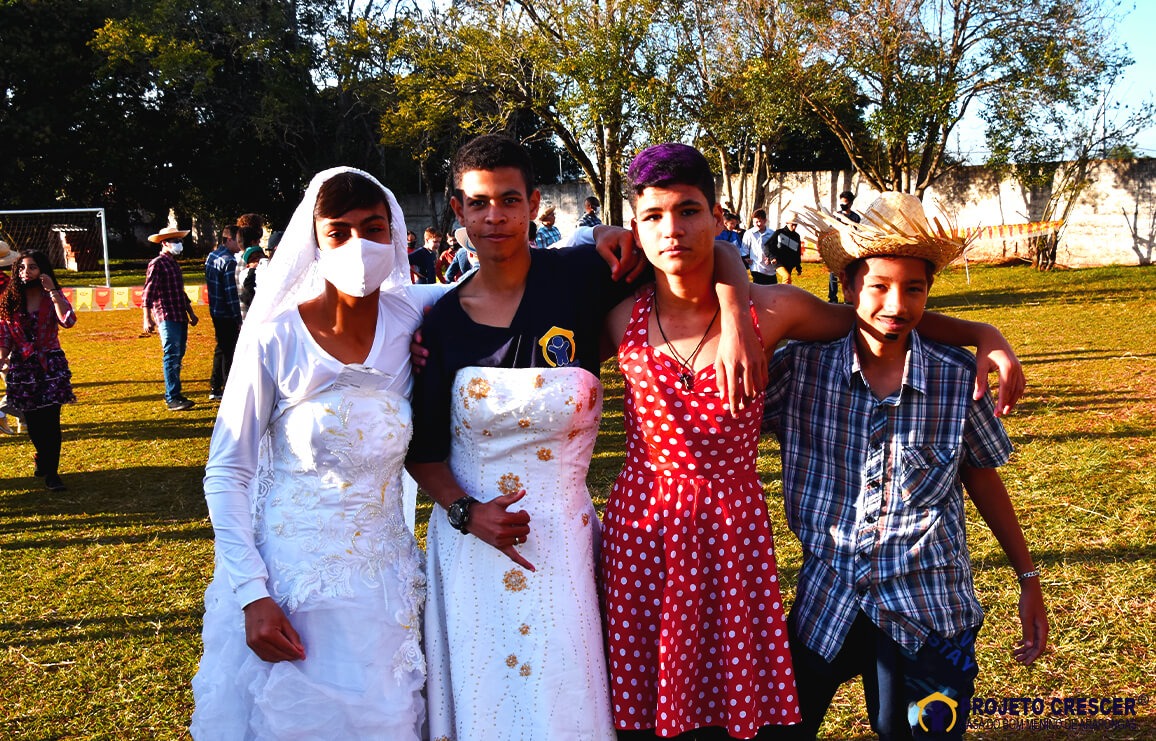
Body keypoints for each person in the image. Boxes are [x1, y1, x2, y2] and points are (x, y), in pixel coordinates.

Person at [594, 145, 1025, 740]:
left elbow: (877, 317)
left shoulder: (777, 311)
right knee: (645, 687)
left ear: (717, 217)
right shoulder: (616, 314)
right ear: (635, 224)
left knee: (734, 698)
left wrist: (981, 331)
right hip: (644, 527)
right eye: (653, 216)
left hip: (730, 529)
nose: (673, 229)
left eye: (689, 211)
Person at [405, 134, 762, 741]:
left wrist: (735, 319)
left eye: (510, 200)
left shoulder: (584, 277)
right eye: (478, 203)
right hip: (472, 544)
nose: (495, 217)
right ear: (457, 210)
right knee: (486, 695)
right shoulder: (437, 322)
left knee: (566, 693)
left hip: (564, 542)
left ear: (534, 203)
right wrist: (466, 512)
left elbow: (703, 247)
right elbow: (424, 453)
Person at [763, 192, 1047, 740]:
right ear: (847, 287)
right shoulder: (798, 370)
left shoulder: (957, 378)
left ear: (929, 291)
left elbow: (981, 475)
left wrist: (1028, 577)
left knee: (921, 731)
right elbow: (724, 432)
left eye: (914, 288)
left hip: (928, 606)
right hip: (827, 598)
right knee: (778, 727)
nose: (896, 304)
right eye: (878, 286)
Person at [191, 167, 446, 739]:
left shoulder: (414, 313)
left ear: (394, 235)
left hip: (386, 587)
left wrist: (601, 240)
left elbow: (508, 282)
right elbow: (227, 472)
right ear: (315, 240)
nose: (360, 245)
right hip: (293, 587)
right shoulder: (276, 338)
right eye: (339, 231)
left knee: (388, 719)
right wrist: (252, 594)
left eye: (373, 228)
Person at [0, 250, 76, 491]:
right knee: (33, 423)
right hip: (22, 369)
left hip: (50, 365)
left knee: (51, 421)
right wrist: (2, 356)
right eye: (22, 268)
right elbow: (4, 334)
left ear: (42, 270)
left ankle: (52, 474)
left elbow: (68, 320)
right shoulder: (9, 300)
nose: (26, 272)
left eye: (32, 267)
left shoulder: (51, 297)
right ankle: (42, 456)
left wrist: (53, 291)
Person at [142, 226, 198, 412]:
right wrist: (147, 318)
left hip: (179, 314)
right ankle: (172, 397)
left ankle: (176, 393)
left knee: (178, 355)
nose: (179, 244)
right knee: (171, 355)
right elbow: (148, 291)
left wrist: (191, 312)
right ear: (164, 243)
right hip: (166, 314)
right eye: (175, 241)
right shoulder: (157, 263)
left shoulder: (173, 264)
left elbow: (180, 292)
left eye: (179, 241)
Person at [205, 225, 243, 401]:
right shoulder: (229, 261)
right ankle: (228, 388)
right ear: (229, 239)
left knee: (221, 348)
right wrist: (238, 317)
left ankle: (215, 386)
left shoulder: (212, 256)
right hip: (227, 314)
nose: (240, 244)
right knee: (230, 352)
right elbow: (231, 294)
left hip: (215, 310)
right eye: (237, 240)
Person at [0, 240, 21, 435]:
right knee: (15, 378)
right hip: (6, 334)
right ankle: (3, 414)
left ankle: (24, 419)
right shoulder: (6, 284)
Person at [829, 190, 860, 302]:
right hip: (837, 246)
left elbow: (857, 232)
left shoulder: (855, 217)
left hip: (850, 248)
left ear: (850, 203)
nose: (842, 205)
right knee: (833, 274)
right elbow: (831, 230)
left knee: (848, 274)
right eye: (841, 202)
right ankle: (833, 298)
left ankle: (848, 297)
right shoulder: (836, 216)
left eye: (845, 203)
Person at [744, 208, 777, 284]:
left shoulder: (772, 233)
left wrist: (771, 258)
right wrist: (746, 258)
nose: (758, 224)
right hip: (756, 267)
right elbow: (745, 248)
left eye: (760, 221)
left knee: (772, 287)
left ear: (765, 221)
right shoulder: (749, 233)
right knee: (759, 287)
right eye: (755, 222)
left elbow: (775, 249)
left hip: (769, 267)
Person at [769, 214, 803, 285]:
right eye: (792, 225)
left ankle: (785, 292)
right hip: (778, 261)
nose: (794, 227)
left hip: (789, 263)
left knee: (788, 281)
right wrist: (772, 257)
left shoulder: (797, 236)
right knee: (786, 276)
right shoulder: (779, 233)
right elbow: (769, 245)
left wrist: (798, 266)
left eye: (796, 225)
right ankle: (782, 292)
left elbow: (797, 252)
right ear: (787, 223)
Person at [236, 245, 263, 319]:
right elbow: (249, 292)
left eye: (259, 256)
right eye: (253, 260)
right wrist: (252, 270)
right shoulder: (245, 274)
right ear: (248, 265)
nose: (258, 260)